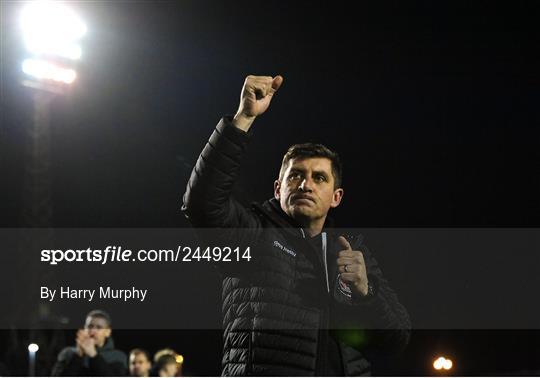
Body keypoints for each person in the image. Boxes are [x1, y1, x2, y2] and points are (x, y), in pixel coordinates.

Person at [182, 75, 411, 376]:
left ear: (336, 197)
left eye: (319, 178)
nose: (305, 184)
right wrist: (244, 117)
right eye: (295, 175)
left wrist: (366, 293)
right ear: (278, 189)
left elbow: (397, 340)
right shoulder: (253, 234)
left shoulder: (353, 252)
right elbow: (202, 203)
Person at [51, 309, 127, 376]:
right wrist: (78, 356)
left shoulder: (118, 357)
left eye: (99, 327)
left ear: (108, 332)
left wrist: (94, 356)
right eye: (90, 326)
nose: (93, 331)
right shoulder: (68, 353)